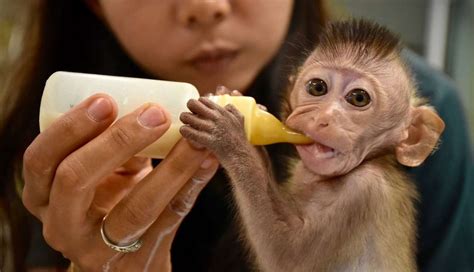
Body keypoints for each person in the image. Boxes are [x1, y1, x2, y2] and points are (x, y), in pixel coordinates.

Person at [0, 0, 471, 271]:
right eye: (317, 88)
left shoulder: (411, 109)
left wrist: (240, 155)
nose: (206, 8)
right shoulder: (74, 122)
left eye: (359, 100)